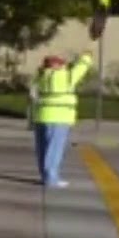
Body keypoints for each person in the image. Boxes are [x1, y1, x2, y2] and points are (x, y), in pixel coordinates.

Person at [29, 51, 92, 188]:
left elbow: (32, 94)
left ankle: (45, 176)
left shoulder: (40, 76)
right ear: (57, 64)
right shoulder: (66, 76)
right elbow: (82, 67)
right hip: (59, 117)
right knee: (54, 149)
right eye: (61, 62)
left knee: (43, 149)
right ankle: (51, 178)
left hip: (41, 116)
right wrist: (87, 55)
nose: (64, 64)